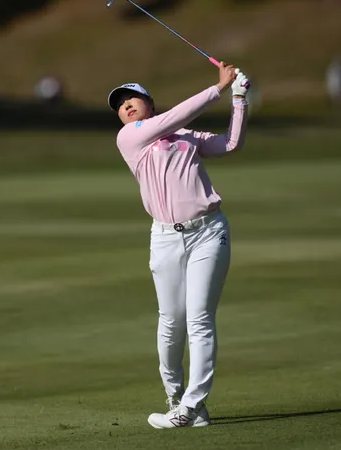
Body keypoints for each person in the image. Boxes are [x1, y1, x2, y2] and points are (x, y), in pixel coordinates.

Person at [107, 62, 250, 429]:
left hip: (209, 231)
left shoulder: (185, 136)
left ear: (150, 103)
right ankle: (175, 397)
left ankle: (192, 406)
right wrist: (217, 88)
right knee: (171, 321)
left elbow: (230, 144)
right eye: (120, 104)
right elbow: (176, 116)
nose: (126, 105)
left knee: (200, 318)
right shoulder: (129, 138)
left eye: (132, 99)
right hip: (166, 237)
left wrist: (238, 98)